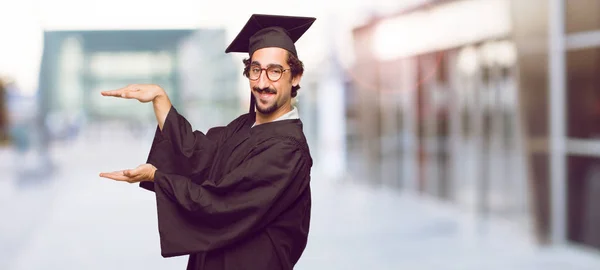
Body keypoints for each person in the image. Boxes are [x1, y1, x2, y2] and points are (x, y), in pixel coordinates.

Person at [99, 14, 316, 270]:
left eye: (275, 71)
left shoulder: (288, 149)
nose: (262, 82)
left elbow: (222, 204)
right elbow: (199, 154)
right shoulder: (243, 126)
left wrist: (160, 178)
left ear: (296, 77)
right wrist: (161, 100)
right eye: (255, 70)